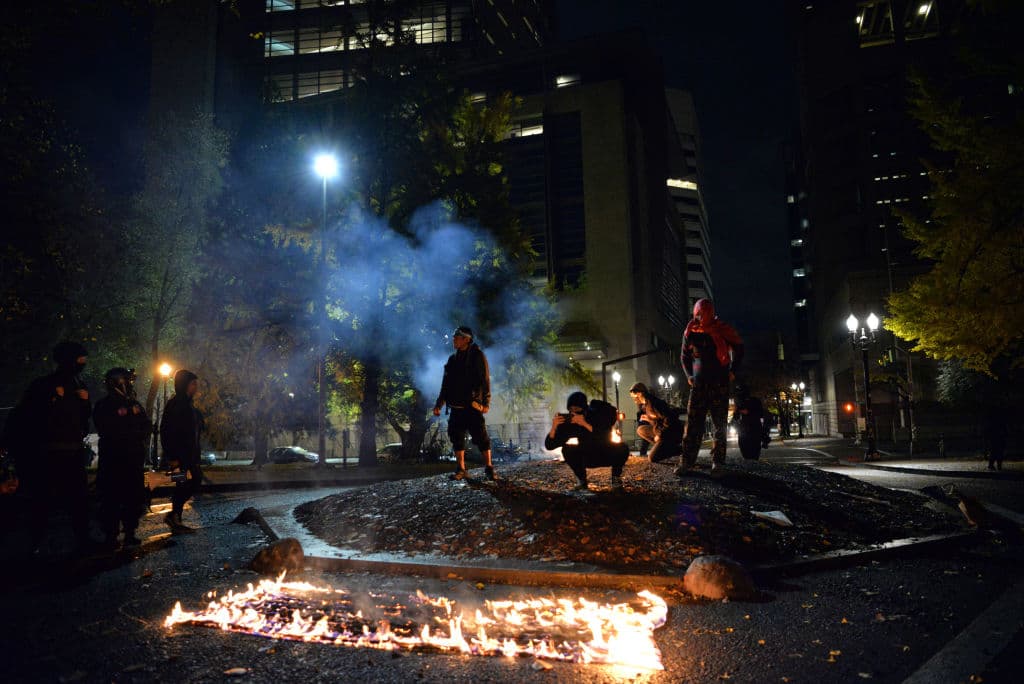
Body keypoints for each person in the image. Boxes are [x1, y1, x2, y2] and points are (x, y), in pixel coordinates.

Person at [4, 341, 93, 554]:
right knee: (42, 502)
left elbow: (83, 420)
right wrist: (52, 400)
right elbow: (28, 416)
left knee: (79, 500)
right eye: (79, 360)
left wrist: (84, 403)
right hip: (49, 454)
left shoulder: (79, 386)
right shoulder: (44, 386)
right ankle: (34, 544)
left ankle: (83, 540)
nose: (82, 365)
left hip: (72, 452)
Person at [678, 299, 744, 475]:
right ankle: (687, 461)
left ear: (711, 313)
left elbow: (740, 348)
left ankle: (718, 462)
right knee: (693, 423)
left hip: (719, 383)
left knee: (719, 424)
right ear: (696, 313)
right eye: (699, 314)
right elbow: (684, 356)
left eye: (705, 313)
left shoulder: (721, 329)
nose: (702, 317)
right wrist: (689, 376)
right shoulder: (690, 331)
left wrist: (733, 371)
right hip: (699, 384)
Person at [93, 368, 151, 548]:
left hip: (133, 459)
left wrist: (138, 432)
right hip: (113, 459)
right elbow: (104, 428)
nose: (127, 384)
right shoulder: (104, 405)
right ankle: (110, 535)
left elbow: (146, 425)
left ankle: (130, 532)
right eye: (124, 381)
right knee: (111, 498)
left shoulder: (134, 404)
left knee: (132, 498)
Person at [432, 326, 497, 481]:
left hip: (472, 406)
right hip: (456, 407)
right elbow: (445, 384)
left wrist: (485, 403)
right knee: (456, 437)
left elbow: (485, 380)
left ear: (466, 339)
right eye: (454, 337)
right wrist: (439, 404)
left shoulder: (477, 356)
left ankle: (489, 467)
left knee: (481, 437)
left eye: (457, 337)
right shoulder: (452, 359)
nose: (454, 340)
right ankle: (461, 469)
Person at [545, 392, 629, 490]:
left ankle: (615, 479)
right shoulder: (572, 422)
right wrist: (554, 427)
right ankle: (582, 481)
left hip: (606, 453)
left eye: (577, 408)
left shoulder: (597, 415)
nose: (574, 412)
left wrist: (585, 424)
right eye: (571, 409)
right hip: (587, 457)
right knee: (567, 449)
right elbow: (550, 445)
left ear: (584, 408)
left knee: (622, 448)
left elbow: (603, 435)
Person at [160, 369, 203, 532]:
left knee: (188, 482)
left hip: (189, 457)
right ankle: (174, 516)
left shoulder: (187, 404)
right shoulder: (176, 404)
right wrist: (172, 457)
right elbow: (167, 431)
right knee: (185, 483)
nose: (196, 387)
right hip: (180, 458)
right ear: (185, 385)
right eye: (193, 384)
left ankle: (175, 516)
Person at [628, 382, 683, 463]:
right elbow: (658, 419)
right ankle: (662, 447)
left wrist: (659, 434)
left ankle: (681, 449)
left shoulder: (653, 403)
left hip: (671, 433)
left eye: (634, 396)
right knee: (640, 430)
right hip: (661, 430)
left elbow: (669, 419)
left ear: (640, 393)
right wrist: (649, 419)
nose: (633, 398)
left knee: (652, 458)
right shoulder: (646, 405)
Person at [732, 386, 765, 461]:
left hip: (752, 428)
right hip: (746, 429)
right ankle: (750, 462)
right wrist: (737, 410)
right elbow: (736, 417)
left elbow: (760, 413)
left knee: (752, 449)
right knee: (747, 449)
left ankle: (752, 462)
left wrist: (748, 412)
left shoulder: (754, 401)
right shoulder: (741, 403)